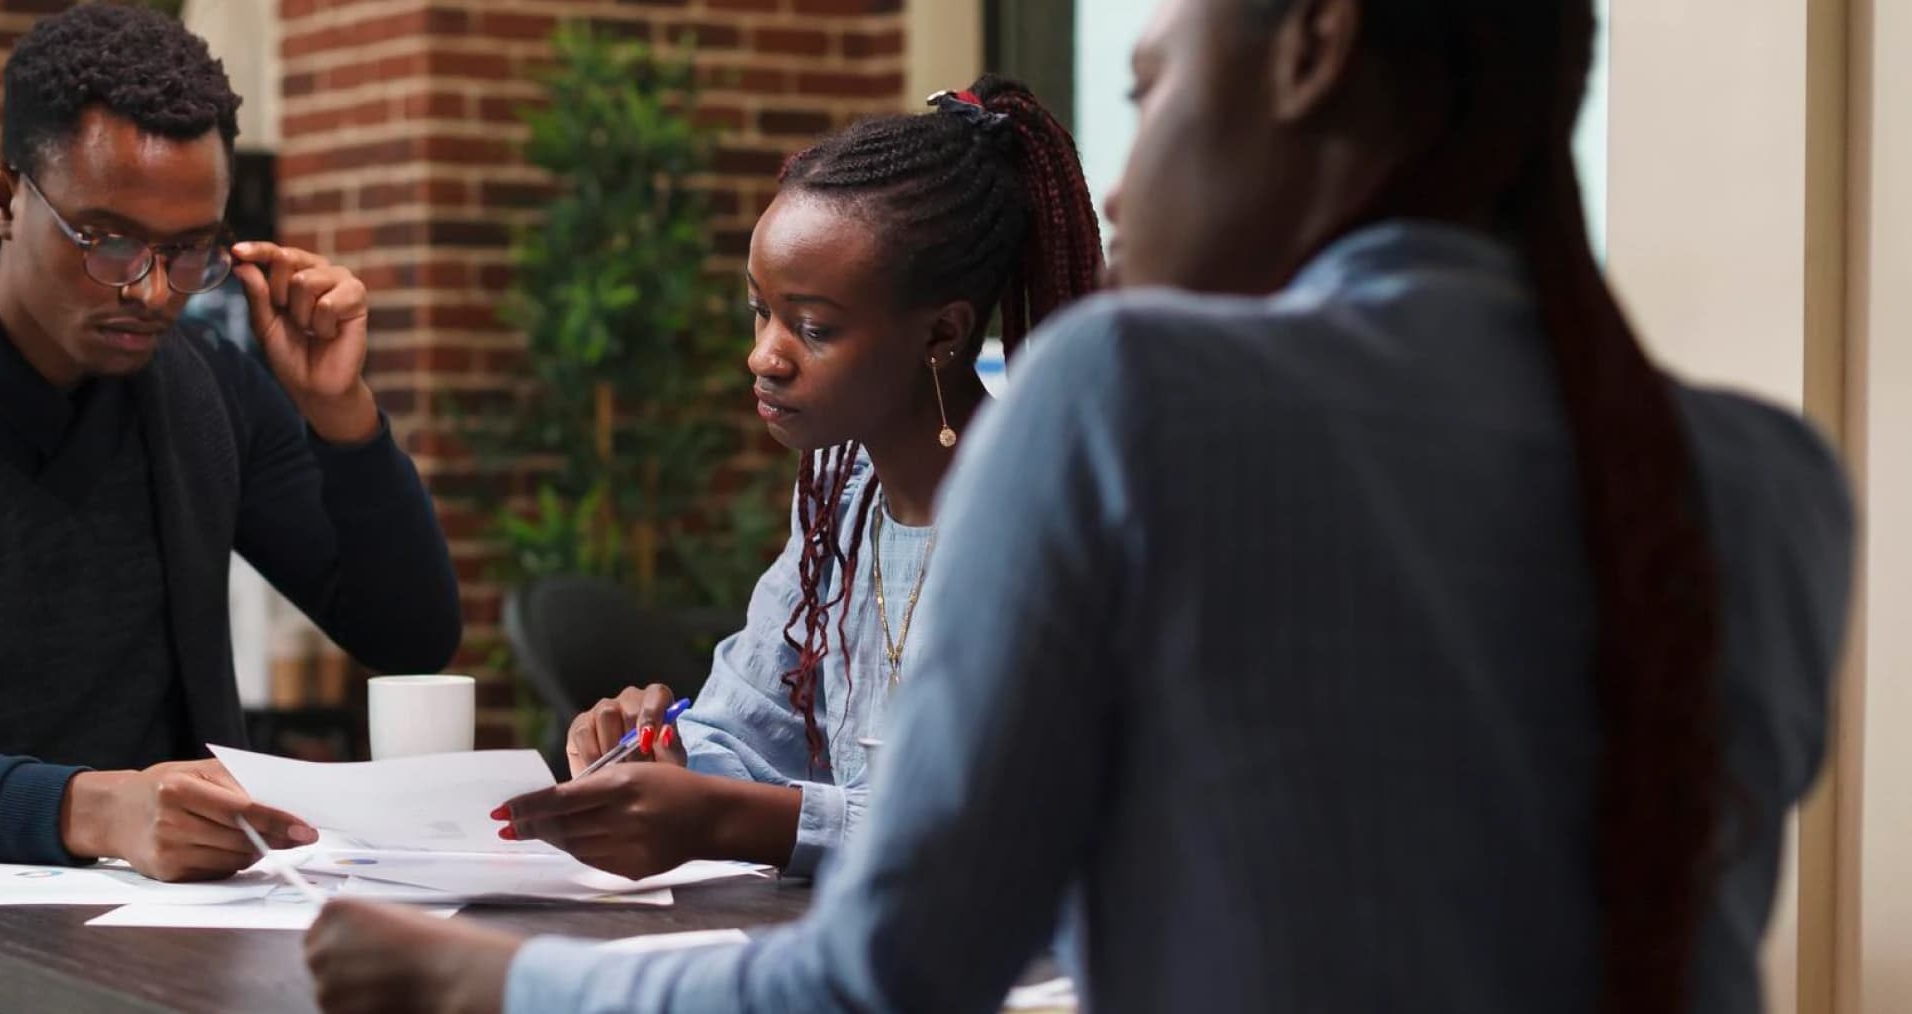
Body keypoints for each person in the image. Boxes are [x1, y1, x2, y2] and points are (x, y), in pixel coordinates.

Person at [301, 0, 1858, 1011]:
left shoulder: (1121, 394)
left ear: (1312, 49)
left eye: (1148, 85)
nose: (1112, 190)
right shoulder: (1771, 477)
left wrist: (475, 980)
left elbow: (889, 978)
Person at [0, 6, 458, 1012]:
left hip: (159, 956)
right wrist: (100, 810)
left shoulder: (203, 389)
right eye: (109, 241)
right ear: (5, 197)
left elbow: (408, 633)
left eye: (190, 249)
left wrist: (339, 414)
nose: (153, 292)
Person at [489, 77, 1104, 882]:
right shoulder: (841, 494)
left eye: (812, 328)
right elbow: (745, 729)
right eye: (759, 312)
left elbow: (1001, 821)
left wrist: (735, 819)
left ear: (945, 332)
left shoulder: (1047, 520)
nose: (764, 356)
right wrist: (665, 758)